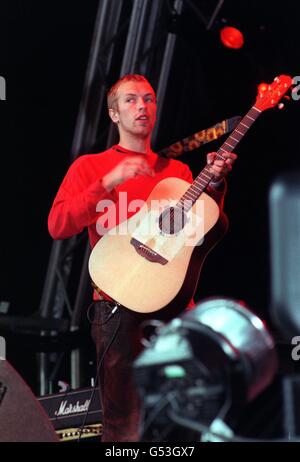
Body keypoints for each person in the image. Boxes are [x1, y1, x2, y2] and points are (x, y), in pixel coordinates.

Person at [48, 74, 237, 442]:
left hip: (172, 306)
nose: (142, 107)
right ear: (114, 113)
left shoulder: (177, 172)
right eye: (131, 100)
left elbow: (201, 232)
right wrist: (107, 182)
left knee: (181, 421)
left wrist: (214, 182)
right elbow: (58, 225)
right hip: (117, 307)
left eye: (149, 99)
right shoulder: (89, 167)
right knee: (124, 427)